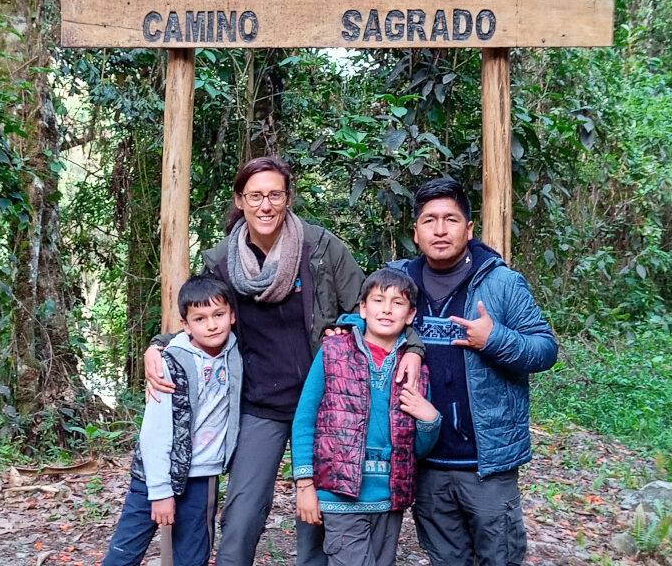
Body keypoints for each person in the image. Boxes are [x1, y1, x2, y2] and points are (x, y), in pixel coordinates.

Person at [144, 156, 424, 566]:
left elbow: (372, 305)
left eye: (275, 194)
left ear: (288, 198)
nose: (265, 205)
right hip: (260, 403)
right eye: (255, 196)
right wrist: (157, 344)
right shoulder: (221, 260)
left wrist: (412, 345)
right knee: (241, 514)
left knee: (320, 514)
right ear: (240, 200)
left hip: (329, 403)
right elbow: (203, 319)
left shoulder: (321, 249)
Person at [389, 179, 559, 566]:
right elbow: (362, 328)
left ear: (469, 229)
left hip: (486, 463)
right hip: (424, 460)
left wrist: (494, 338)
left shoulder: (501, 283)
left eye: (451, 219)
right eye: (429, 220)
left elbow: (545, 349)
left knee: (500, 557)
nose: (440, 229)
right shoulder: (397, 282)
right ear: (415, 233)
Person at [291, 268, 441, 566]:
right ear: (362, 307)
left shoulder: (415, 367)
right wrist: (305, 486)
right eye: (378, 300)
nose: (386, 309)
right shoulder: (334, 350)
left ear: (411, 315)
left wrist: (429, 420)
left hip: (389, 498)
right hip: (339, 495)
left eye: (397, 303)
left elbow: (418, 450)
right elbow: (305, 420)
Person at [103, 276, 242, 566]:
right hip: (154, 478)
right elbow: (155, 432)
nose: (212, 325)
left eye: (218, 315)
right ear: (185, 324)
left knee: (193, 558)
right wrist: (160, 491)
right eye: (200, 318)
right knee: (123, 556)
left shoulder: (237, 353)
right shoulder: (170, 363)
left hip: (202, 477)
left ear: (232, 315)